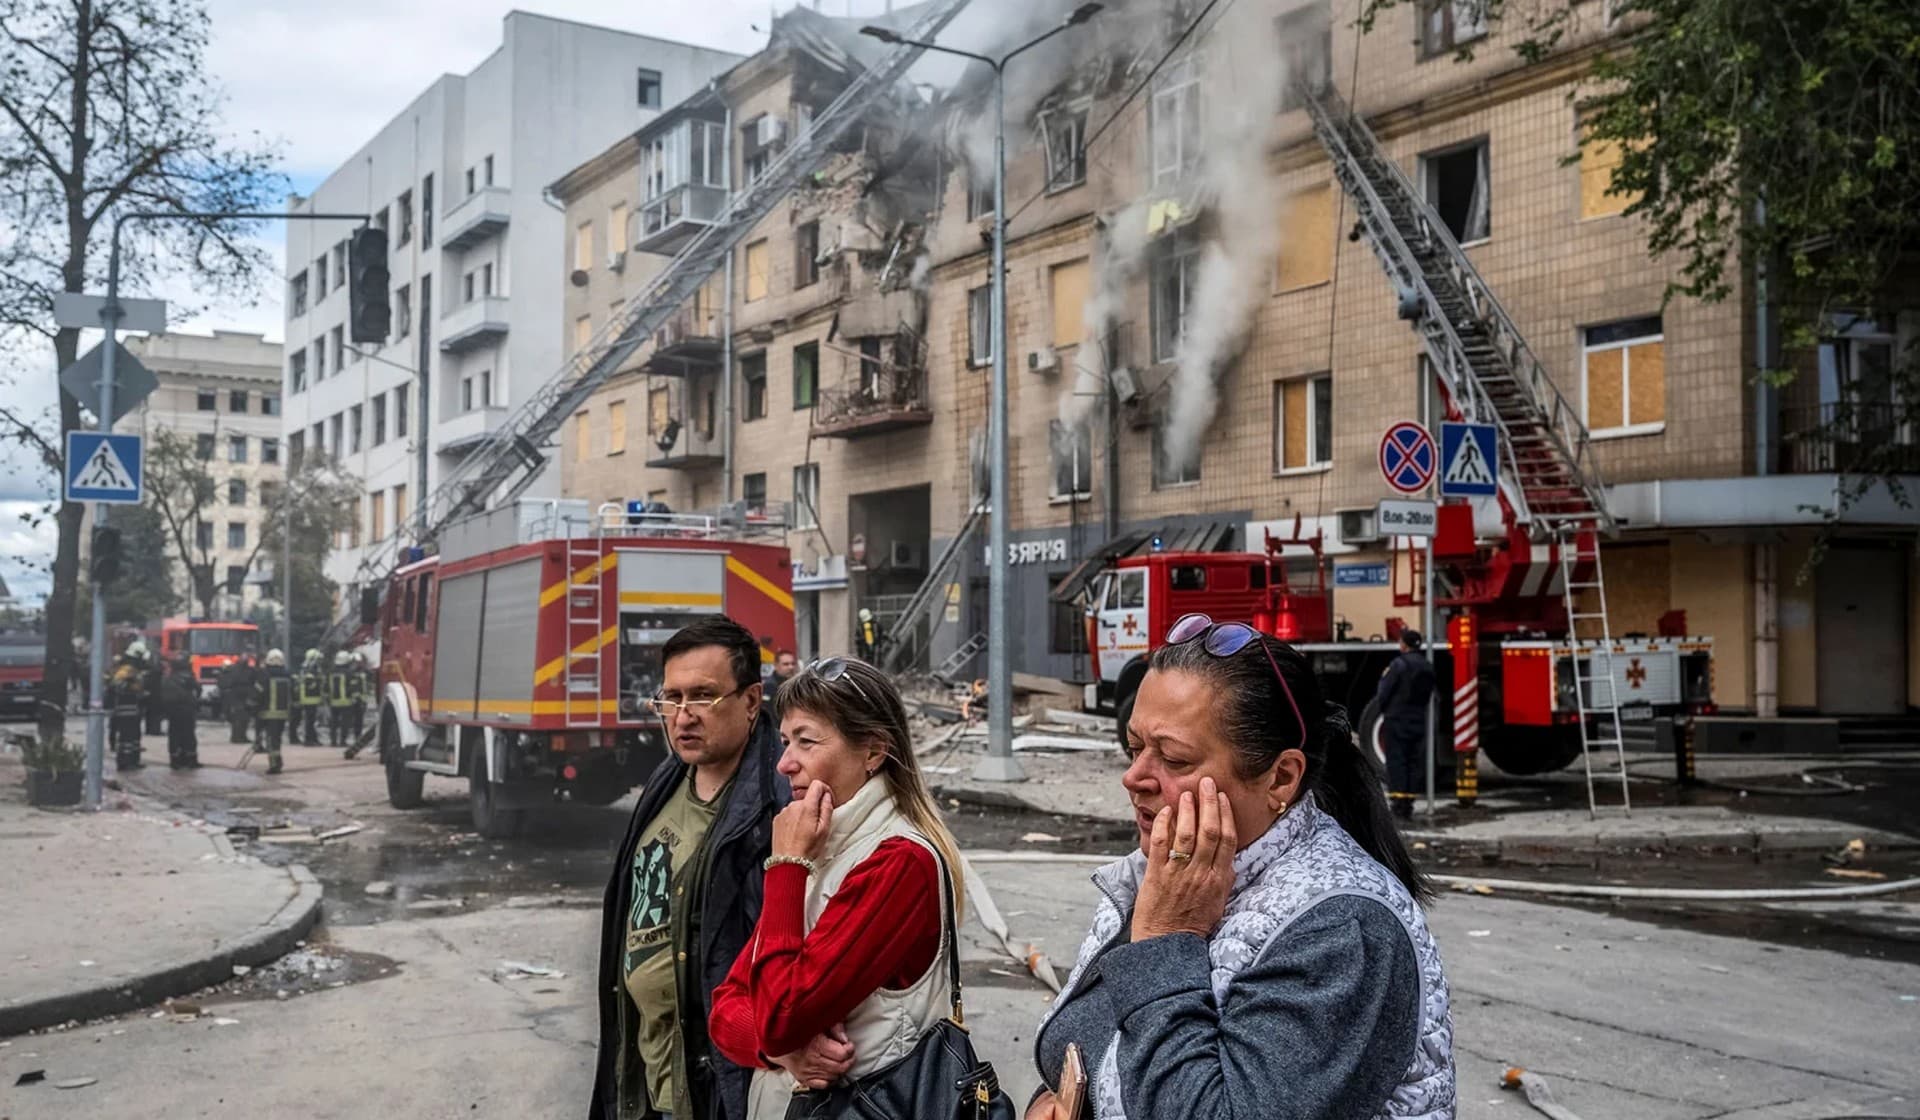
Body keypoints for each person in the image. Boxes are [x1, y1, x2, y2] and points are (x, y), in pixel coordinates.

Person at [1027, 613, 1453, 1120]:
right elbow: (1083, 1045)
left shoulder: (1345, 932)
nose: (1133, 777)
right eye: (1135, 747)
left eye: (1175, 759)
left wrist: (1166, 939)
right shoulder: (1167, 868)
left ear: (1281, 779)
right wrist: (1051, 1104)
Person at [707, 655, 967, 1120]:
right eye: (785, 741)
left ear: (872, 751)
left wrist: (786, 864)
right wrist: (784, 1054)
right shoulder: (824, 844)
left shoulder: (898, 862)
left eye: (806, 742)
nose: (785, 763)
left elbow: (782, 1015)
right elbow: (726, 1008)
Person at [591, 615, 790, 1120]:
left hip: (718, 1085)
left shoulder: (779, 801)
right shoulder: (667, 778)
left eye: (703, 696)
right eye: (671, 698)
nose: (683, 716)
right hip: (647, 1076)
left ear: (750, 702)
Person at [1376, 629, 1437, 820]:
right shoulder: (1427, 666)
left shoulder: (1398, 665)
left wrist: (1385, 709)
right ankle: (1409, 802)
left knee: (1397, 760)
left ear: (1404, 644)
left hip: (1397, 718)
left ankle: (1399, 803)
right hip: (1418, 718)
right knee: (1413, 761)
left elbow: (1384, 692)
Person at [252, 649, 293, 775]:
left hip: (267, 713)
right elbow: (293, 693)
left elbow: (258, 693)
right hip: (282, 714)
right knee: (277, 738)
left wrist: (251, 705)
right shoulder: (287, 675)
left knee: (271, 740)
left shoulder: (265, 675)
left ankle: (275, 764)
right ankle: (278, 761)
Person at [109, 645, 148, 771]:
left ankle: (133, 760)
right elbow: (116, 685)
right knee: (126, 738)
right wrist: (131, 685)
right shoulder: (126, 670)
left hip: (133, 709)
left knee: (134, 738)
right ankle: (125, 762)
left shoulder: (133, 670)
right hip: (125, 709)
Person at [162, 655, 202, 770]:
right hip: (187, 710)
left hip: (173, 711)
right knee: (189, 734)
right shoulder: (188, 676)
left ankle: (175, 760)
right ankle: (190, 760)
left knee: (174, 734)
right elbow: (198, 688)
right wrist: (195, 700)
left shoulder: (168, 677)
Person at [221, 656, 257, 745]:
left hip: (243, 695)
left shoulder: (247, 670)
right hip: (237, 695)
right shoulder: (235, 669)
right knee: (238, 717)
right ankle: (236, 737)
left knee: (244, 718)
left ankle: (241, 736)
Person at [295, 649, 325, 746]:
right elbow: (312, 684)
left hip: (310, 698)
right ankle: (309, 740)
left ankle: (313, 738)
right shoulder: (311, 670)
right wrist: (319, 680)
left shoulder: (306, 668)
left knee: (311, 720)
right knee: (310, 720)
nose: (319, 662)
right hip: (310, 699)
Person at [326, 651, 355, 747]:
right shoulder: (349, 672)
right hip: (346, 702)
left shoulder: (331, 672)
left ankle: (333, 741)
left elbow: (326, 687)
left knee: (333, 723)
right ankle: (342, 741)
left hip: (333, 701)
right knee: (344, 723)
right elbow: (352, 687)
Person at [140, 641, 165, 735]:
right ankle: (155, 730)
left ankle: (150, 730)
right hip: (156, 693)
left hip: (150, 693)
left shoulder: (147, 669)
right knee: (155, 713)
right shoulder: (156, 671)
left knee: (150, 713)